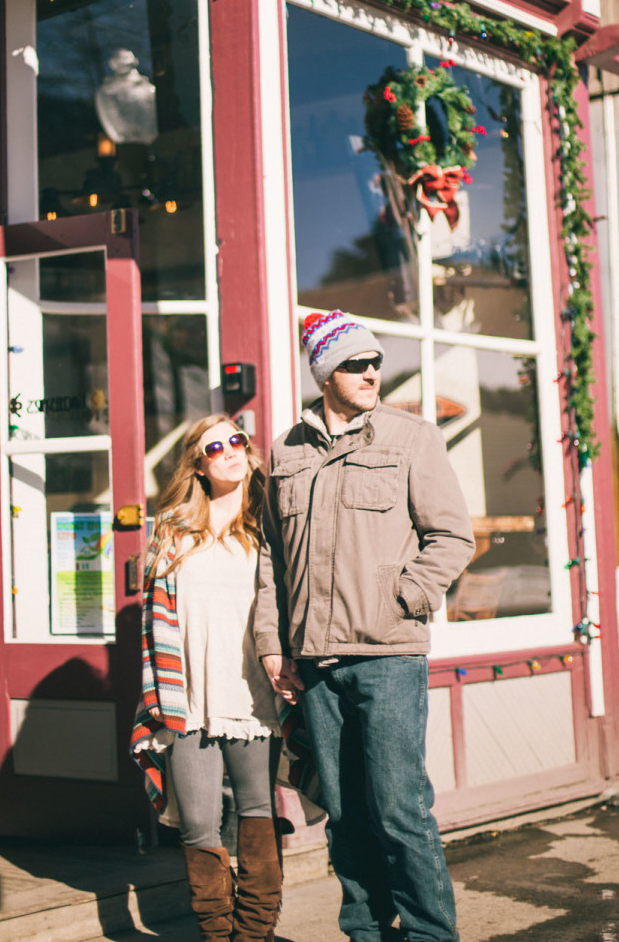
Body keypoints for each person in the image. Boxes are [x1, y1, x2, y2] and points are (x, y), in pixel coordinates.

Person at [255, 310, 476, 942]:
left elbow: (451, 537)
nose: (371, 372)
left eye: (375, 361)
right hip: (316, 665)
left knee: (401, 809)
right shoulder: (286, 451)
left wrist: (403, 598)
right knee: (345, 814)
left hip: (387, 657)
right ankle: (368, 932)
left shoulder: (411, 439)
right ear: (324, 373)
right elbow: (273, 556)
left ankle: (433, 935)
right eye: (355, 364)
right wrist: (275, 645)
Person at [131, 415, 282, 941]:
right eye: (214, 447)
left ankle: (254, 934)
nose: (229, 452)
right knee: (197, 824)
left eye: (236, 440)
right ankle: (217, 936)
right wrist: (158, 697)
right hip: (186, 696)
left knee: (257, 813)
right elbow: (153, 622)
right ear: (198, 462)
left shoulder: (271, 520)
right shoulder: (171, 527)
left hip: (252, 695)